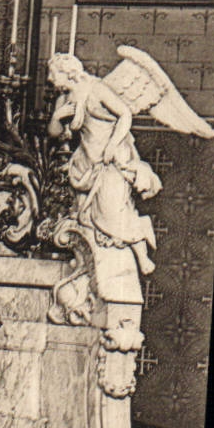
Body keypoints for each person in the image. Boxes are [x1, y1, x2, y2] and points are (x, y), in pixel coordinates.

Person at [46, 52, 160, 274]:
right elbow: (54, 135)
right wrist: (56, 118)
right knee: (84, 215)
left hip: (111, 160)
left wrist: (111, 145)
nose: (50, 79)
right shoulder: (64, 98)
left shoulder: (96, 89)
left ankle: (142, 255)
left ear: (66, 73)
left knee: (112, 210)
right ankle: (90, 260)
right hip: (85, 162)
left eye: (53, 74)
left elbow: (125, 114)